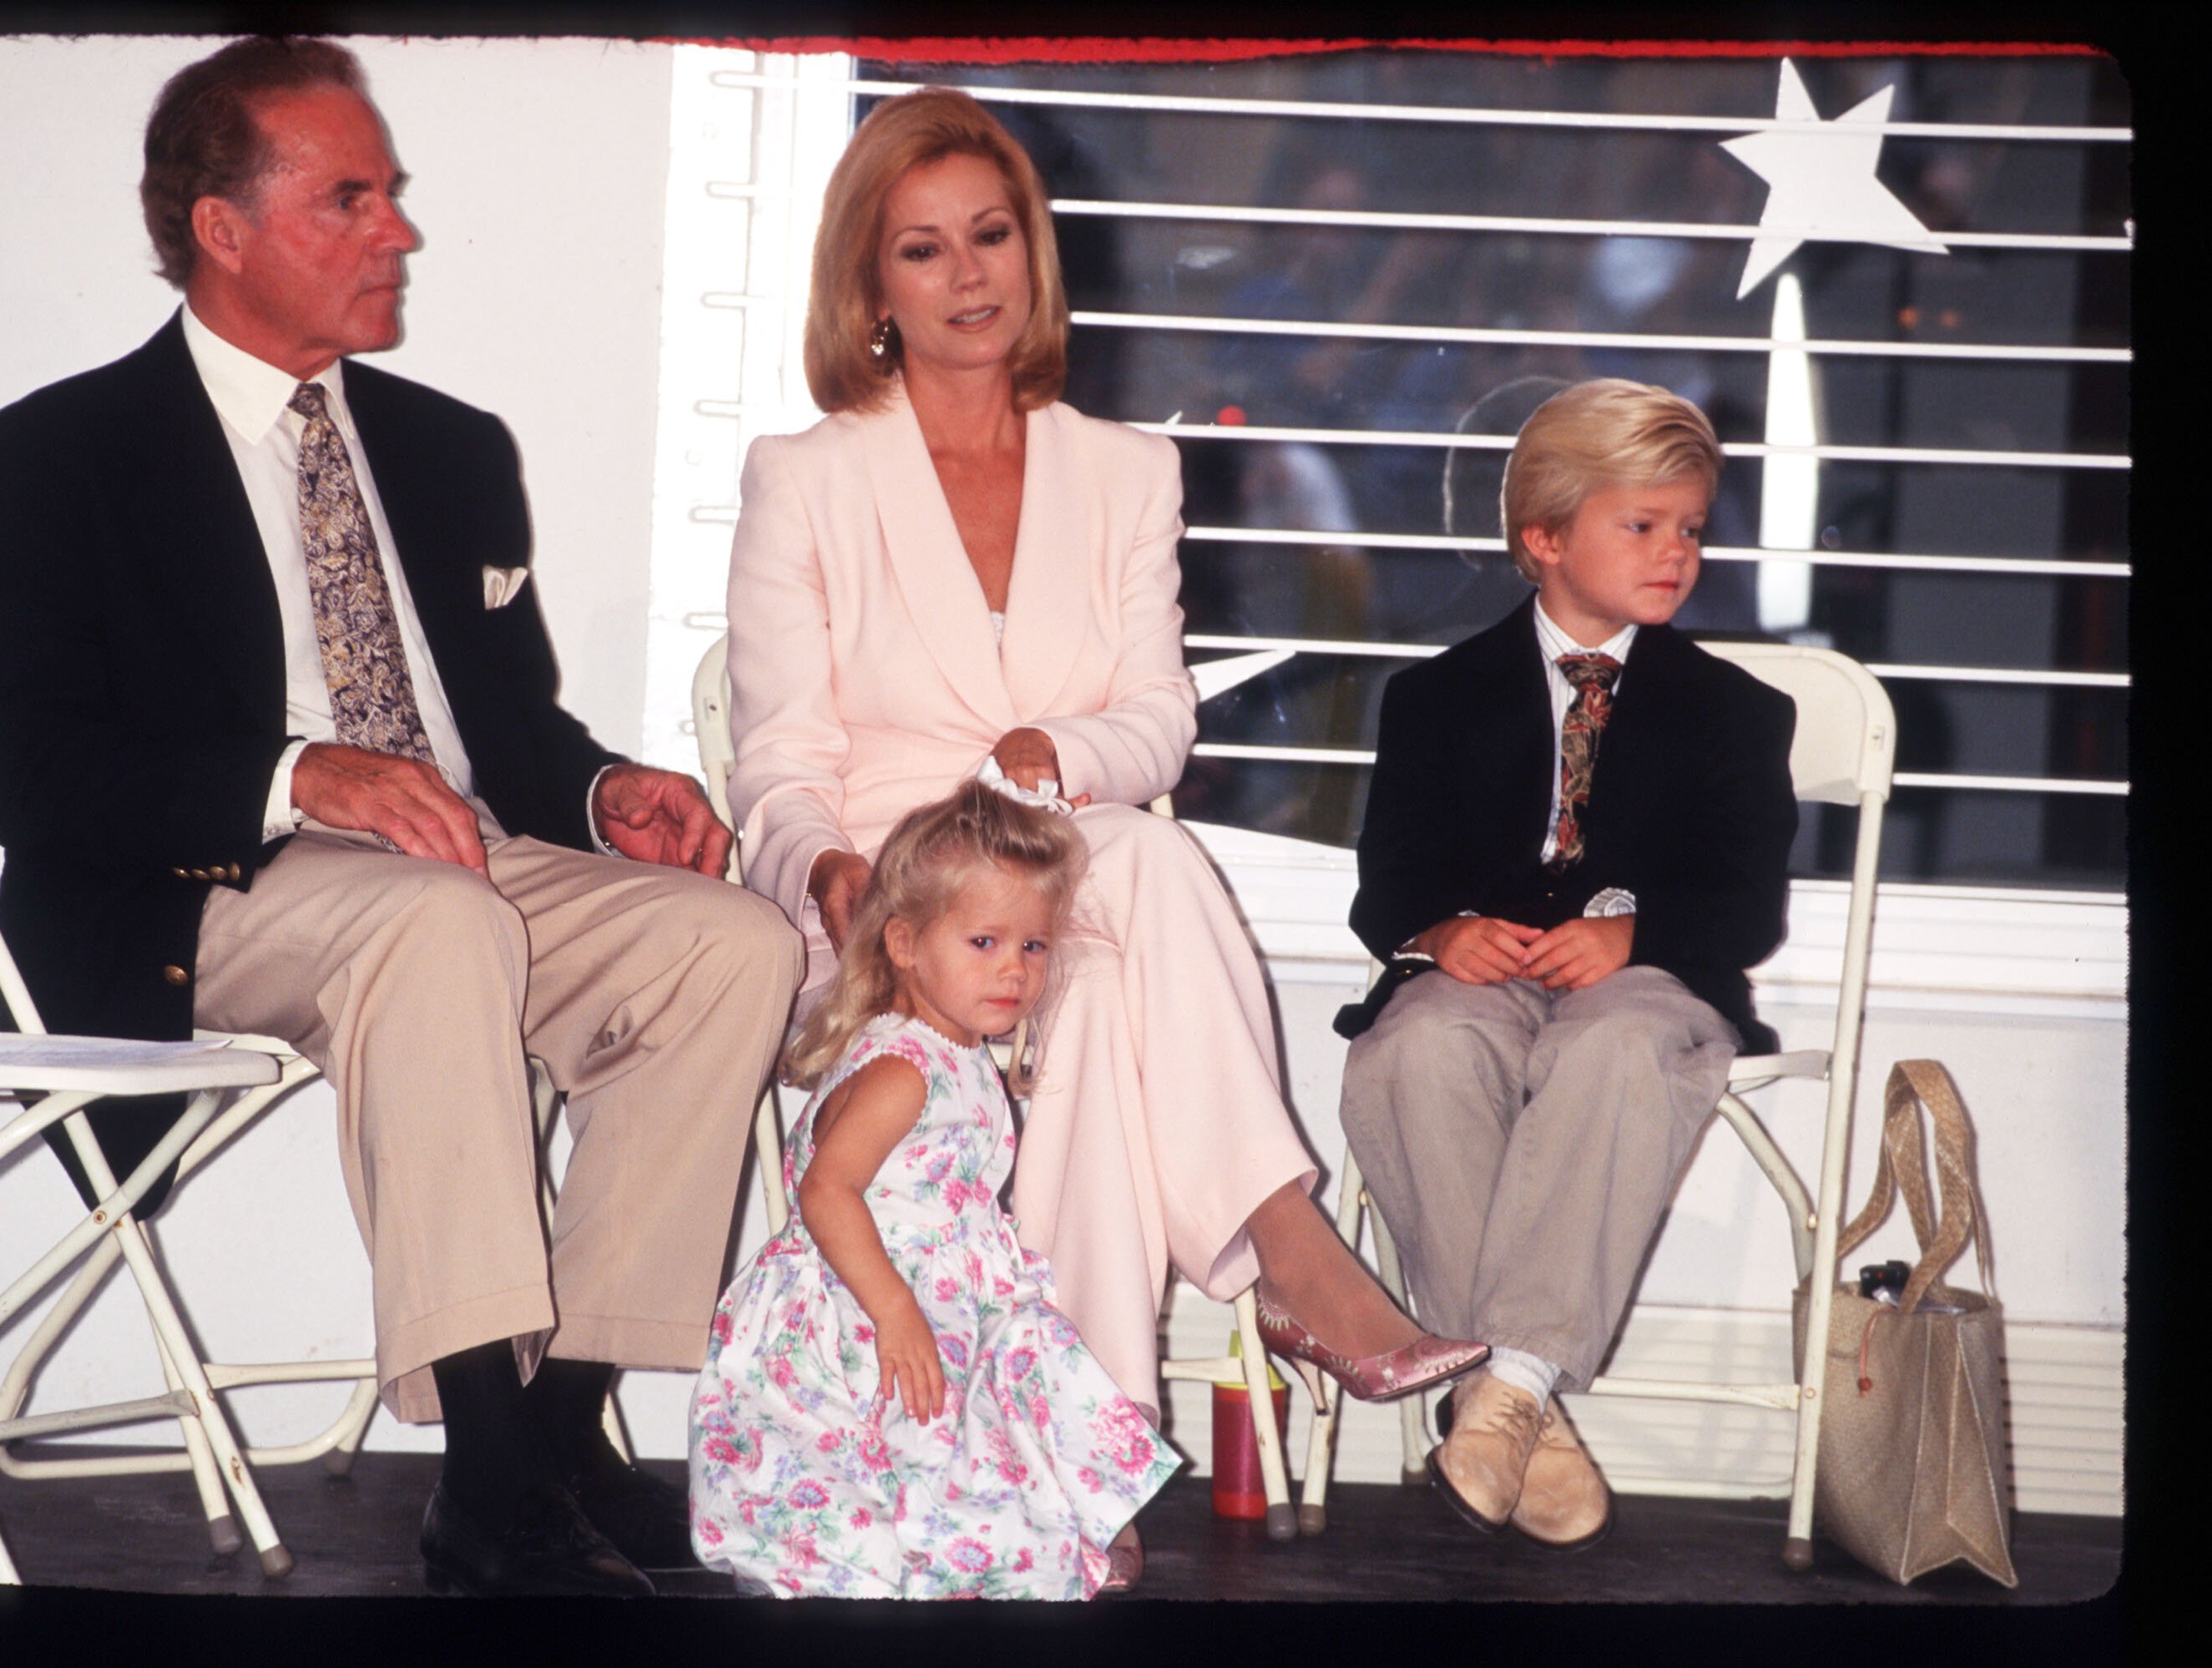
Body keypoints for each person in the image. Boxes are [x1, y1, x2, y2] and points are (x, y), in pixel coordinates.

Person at [0, 37, 803, 1597]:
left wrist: (608, 788)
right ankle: (487, 1478)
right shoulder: (54, 456)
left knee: (731, 940)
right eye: (350, 197)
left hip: (454, 857)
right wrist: (298, 772)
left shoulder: (448, 448)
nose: (397, 228)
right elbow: (36, 772)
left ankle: (556, 1433)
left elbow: (508, 736)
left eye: (390, 194)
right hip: (210, 888)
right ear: (223, 226)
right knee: (434, 915)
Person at [724, 88, 1482, 1582]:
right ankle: (1284, 1253)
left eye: (991, 235)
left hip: (1068, 882)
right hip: (892, 916)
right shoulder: (805, 479)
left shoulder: (1126, 468)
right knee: (1133, 874)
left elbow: (1155, 722)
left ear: (1033, 248)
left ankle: (1069, 1462)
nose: (968, 275)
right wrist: (829, 868)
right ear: (870, 288)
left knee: (1106, 932)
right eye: (923, 249)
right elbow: (778, 765)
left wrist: (1055, 755)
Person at [1333, 378, 1799, 1550]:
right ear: (1543, 537)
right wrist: (1441, 932)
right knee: (1425, 1044)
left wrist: (1631, 935)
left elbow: (1743, 905)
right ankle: (1521, 1407)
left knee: (1619, 1047)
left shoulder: (1733, 713)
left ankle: (1499, 1385)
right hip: (1481, 976)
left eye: (1690, 527)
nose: (1676, 552)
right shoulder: (1435, 698)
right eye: (1641, 525)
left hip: (1648, 979)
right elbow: (1384, 884)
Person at [689, 781, 1179, 1599]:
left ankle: (980, 1537)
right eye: (984, 941)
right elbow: (827, 1192)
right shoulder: (902, 1070)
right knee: (894, 1438)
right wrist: (894, 1310)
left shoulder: (955, 1053)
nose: (1014, 971)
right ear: (906, 944)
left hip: (936, 1287)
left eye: (1033, 947)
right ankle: (867, 1549)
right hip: (867, 1294)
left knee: (983, 1417)